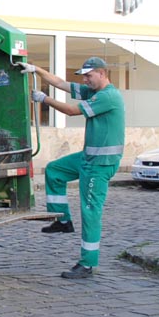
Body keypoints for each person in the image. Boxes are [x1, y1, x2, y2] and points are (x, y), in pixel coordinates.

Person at [19, 56, 125, 279]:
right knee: (54, 171)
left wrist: (44, 99)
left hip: (100, 164)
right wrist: (35, 69)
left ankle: (87, 263)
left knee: (90, 211)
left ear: (102, 73)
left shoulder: (108, 96)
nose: (85, 80)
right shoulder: (94, 91)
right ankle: (63, 221)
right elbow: (61, 83)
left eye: (88, 75)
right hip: (88, 157)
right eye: (83, 76)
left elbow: (70, 110)